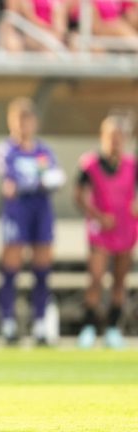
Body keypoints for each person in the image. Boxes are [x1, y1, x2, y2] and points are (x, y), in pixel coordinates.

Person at [0, 98, 65, 345]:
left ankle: (41, 323)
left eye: (28, 120)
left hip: (41, 212)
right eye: (19, 121)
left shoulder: (44, 151)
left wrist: (36, 182)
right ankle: (8, 322)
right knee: (11, 266)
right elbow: (13, 183)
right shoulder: (7, 150)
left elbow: (55, 178)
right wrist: (38, 182)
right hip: (17, 213)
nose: (24, 126)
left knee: (42, 268)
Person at [74, 115, 135, 349]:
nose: (115, 142)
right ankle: (89, 326)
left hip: (125, 227)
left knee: (119, 280)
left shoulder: (132, 166)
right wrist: (98, 215)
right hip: (101, 229)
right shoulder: (90, 164)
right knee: (96, 277)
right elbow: (79, 195)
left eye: (120, 138)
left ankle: (112, 328)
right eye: (111, 137)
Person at [0, 0, 69, 52]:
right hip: (28, 32)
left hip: (48, 35)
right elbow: (24, 17)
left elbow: (60, 25)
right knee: (12, 43)